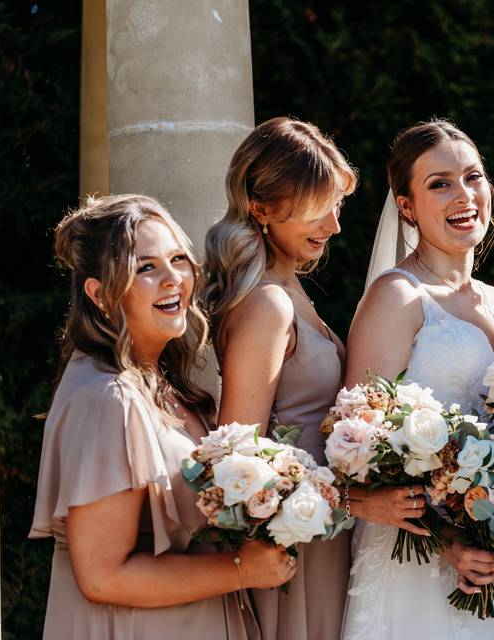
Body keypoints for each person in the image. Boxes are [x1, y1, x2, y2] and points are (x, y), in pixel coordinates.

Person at [30, 194, 294, 640]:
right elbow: (102, 576)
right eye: (145, 268)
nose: (173, 279)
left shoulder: (160, 384)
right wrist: (241, 570)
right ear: (98, 293)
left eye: (178, 259)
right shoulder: (106, 397)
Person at [340, 119, 494, 640]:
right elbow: (353, 443)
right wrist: (448, 541)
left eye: (473, 177)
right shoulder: (397, 297)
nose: (463, 195)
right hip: (418, 559)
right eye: (439, 183)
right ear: (407, 205)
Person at [204, 116, 358, 640]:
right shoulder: (268, 303)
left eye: (337, 205)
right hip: (293, 543)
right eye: (318, 209)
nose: (334, 226)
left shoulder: (286, 289)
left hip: (323, 526)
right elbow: (238, 454)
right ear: (261, 208)